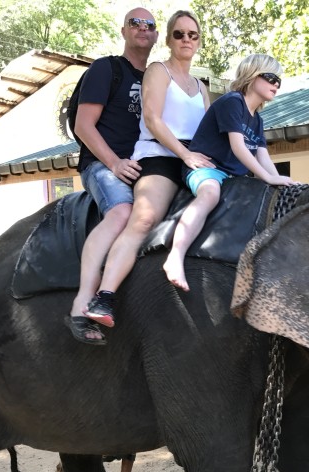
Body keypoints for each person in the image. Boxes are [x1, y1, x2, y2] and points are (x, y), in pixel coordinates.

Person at [83, 10, 213, 329]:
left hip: (193, 157)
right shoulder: (158, 71)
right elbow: (154, 121)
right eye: (179, 34)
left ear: (198, 42)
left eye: (192, 35)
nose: (186, 39)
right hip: (161, 153)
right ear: (168, 39)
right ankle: (104, 295)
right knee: (142, 219)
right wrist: (184, 154)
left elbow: (210, 130)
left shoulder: (201, 86)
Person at [163, 54, 297, 292]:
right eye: (271, 77)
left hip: (234, 178)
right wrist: (267, 177)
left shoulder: (257, 119)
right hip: (208, 168)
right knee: (210, 194)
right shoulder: (232, 102)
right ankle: (175, 256)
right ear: (252, 75)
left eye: (279, 80)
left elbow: (262, 155)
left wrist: (279, 181)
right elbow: (238, 146)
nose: (276, 84)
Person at [65, 7, 158, 344]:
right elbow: (83, 125)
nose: (143, 29)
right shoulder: (107, 69)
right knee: (122, 213)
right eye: (136, 23)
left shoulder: (155, 78)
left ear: (156, 35)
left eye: (150, 25)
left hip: (142, 168)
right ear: (123, 31)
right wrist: (115, 163)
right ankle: (83, 300)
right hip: (103, 165)